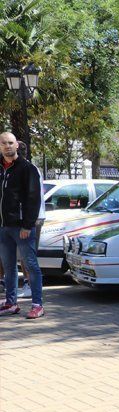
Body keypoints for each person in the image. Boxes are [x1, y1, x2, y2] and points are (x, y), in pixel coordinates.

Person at [0, 131, 44, 318]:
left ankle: (37, 305)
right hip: (3, 227)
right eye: (4, 143)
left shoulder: (27, 168)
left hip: (22, 227)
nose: (7, 146)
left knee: (31, 265)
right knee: (8, 267)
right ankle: (11, 303)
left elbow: (33, 198)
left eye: (10, 142)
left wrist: (27, 225)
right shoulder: (1, 168)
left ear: (17, 145)